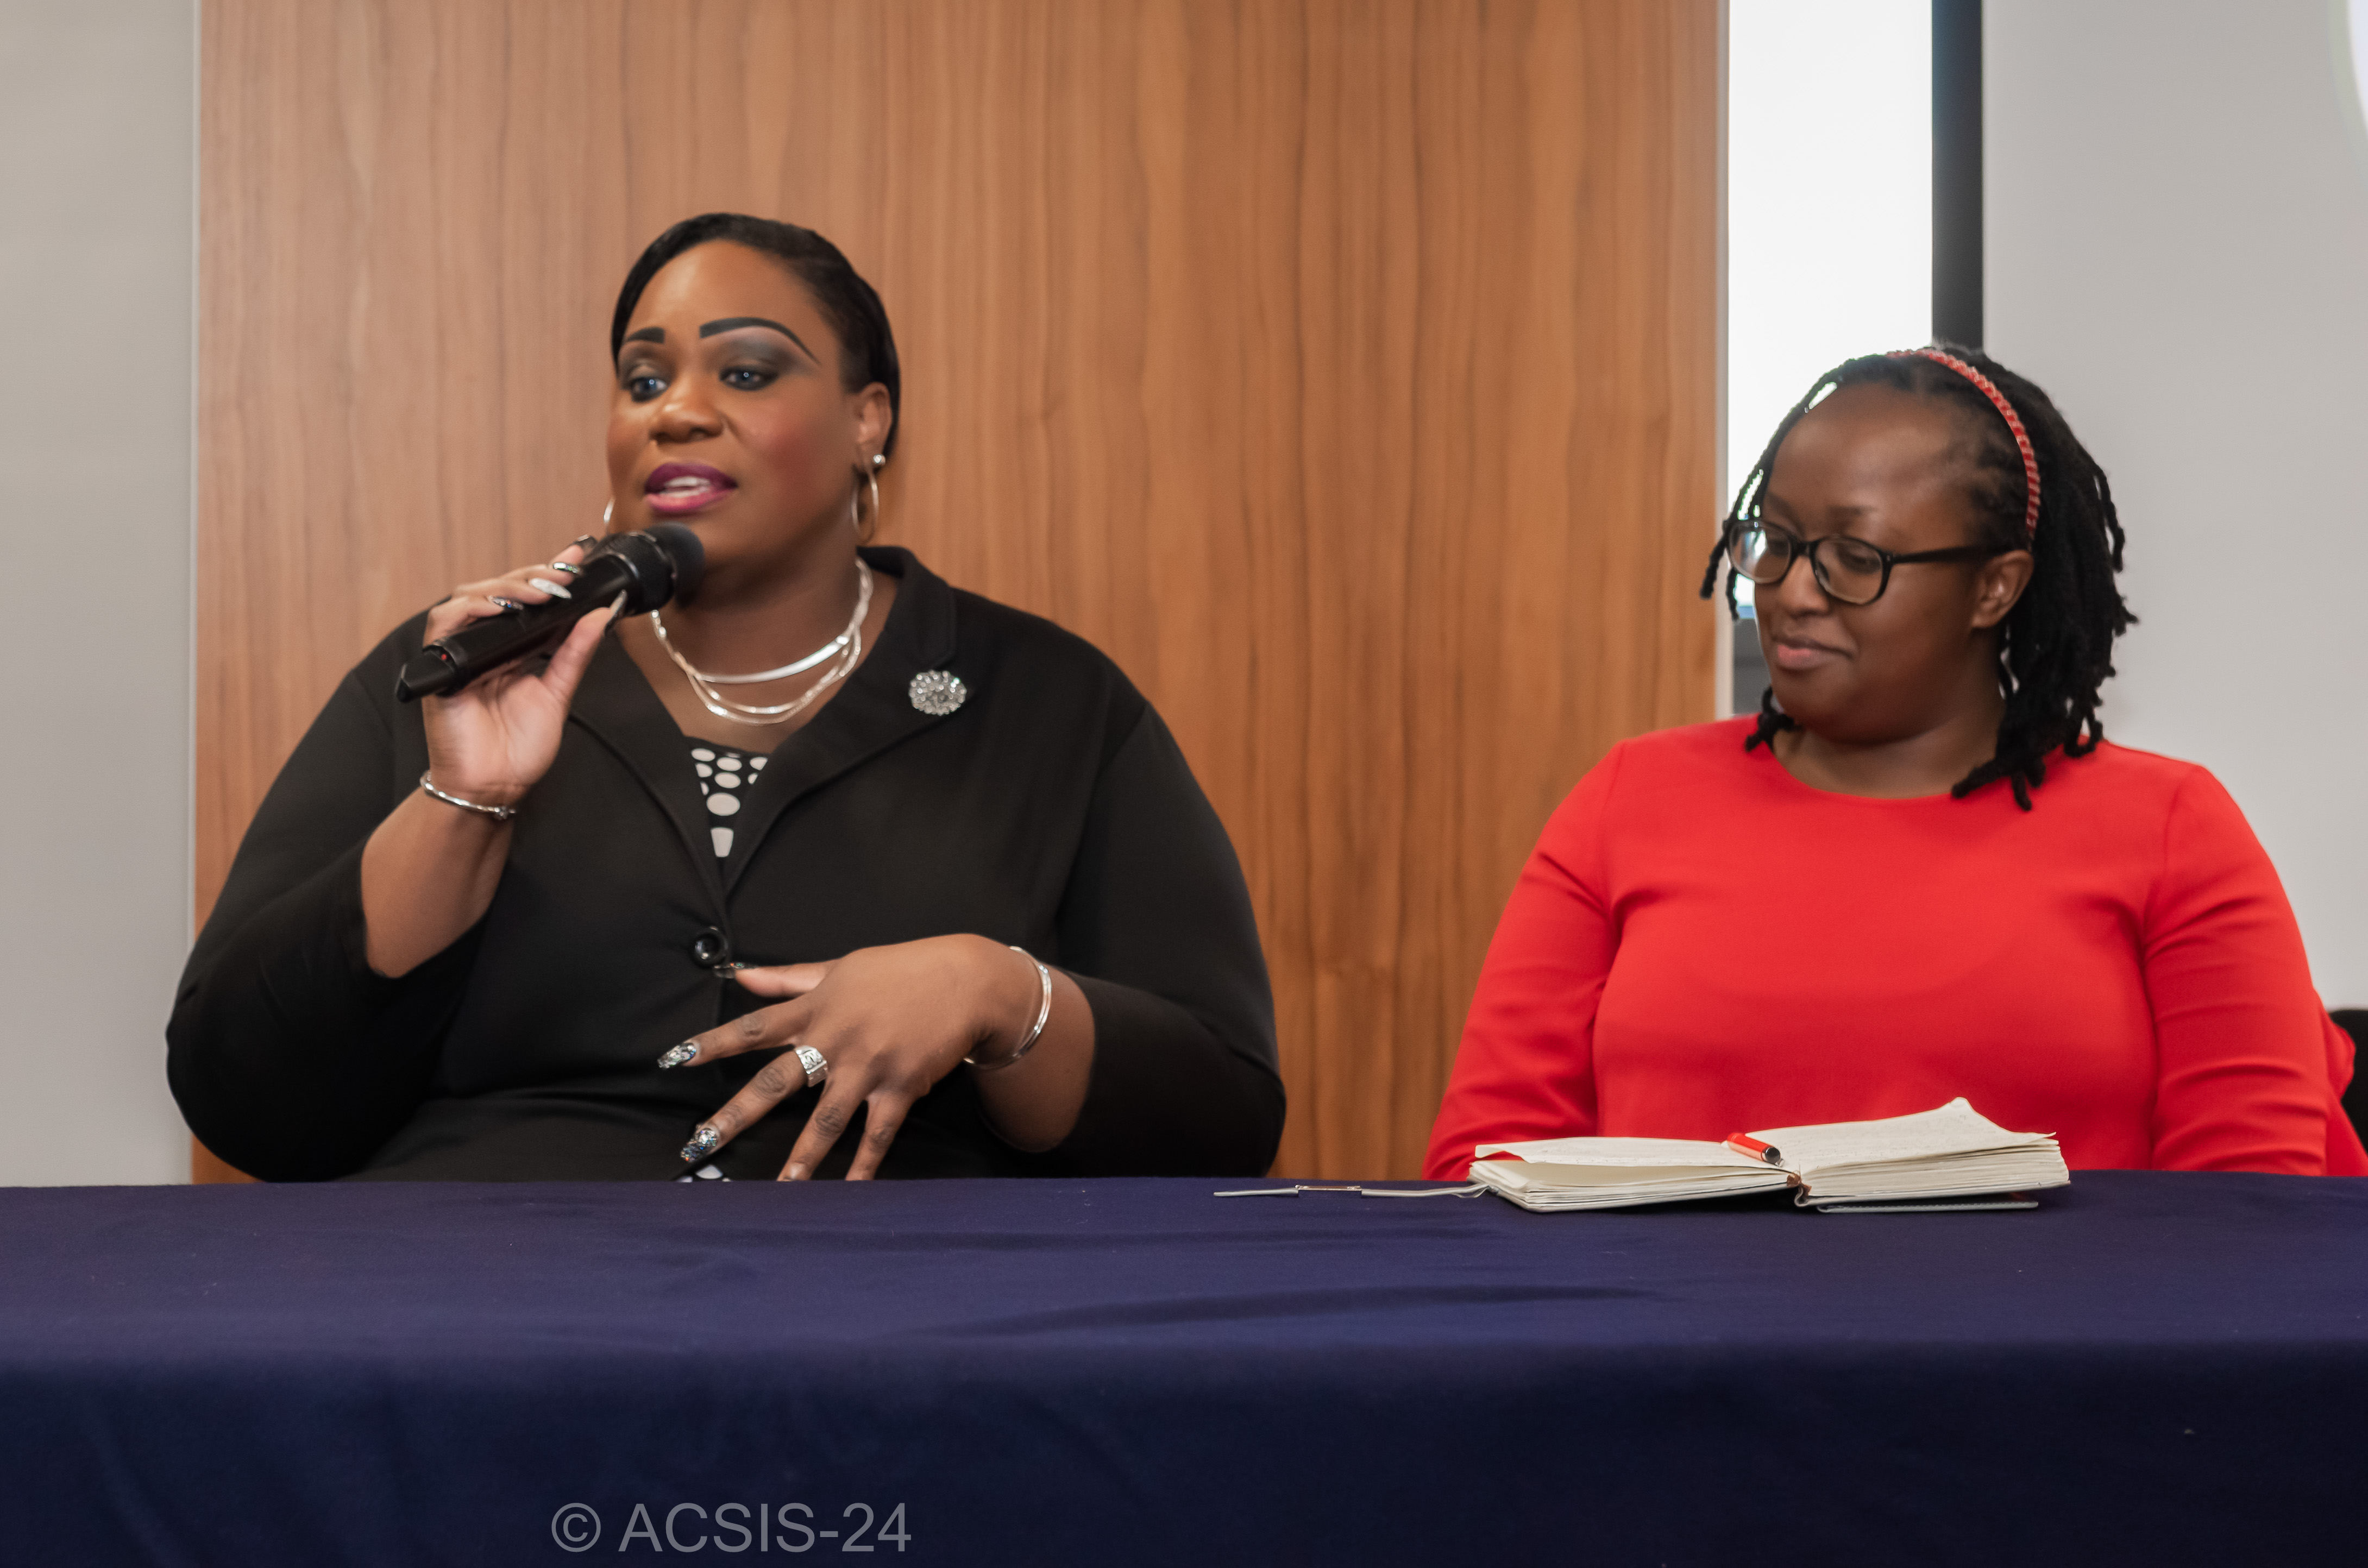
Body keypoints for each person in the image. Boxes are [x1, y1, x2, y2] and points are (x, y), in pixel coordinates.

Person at [170, 214, 1281, 1181]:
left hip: (900, 1306)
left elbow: (1219, 1120)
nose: (677, 413)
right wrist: (464, 801)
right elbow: (246, 1100)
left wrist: (999, 994)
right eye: (643, 381)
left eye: (745, 373)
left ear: (867, 420)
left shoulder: (1050, 702)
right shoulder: (463, 671)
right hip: (490, 1286)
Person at [1425, 346, 2363, 1178]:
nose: (1794, 593)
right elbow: (1491, 1167)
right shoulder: (1632, 799)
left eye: (1854, 556)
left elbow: (2253, 1213)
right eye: (1777, 542)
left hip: (2059, 1331)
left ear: (1994, 587)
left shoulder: (2171, 830)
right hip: (1667, 1329)